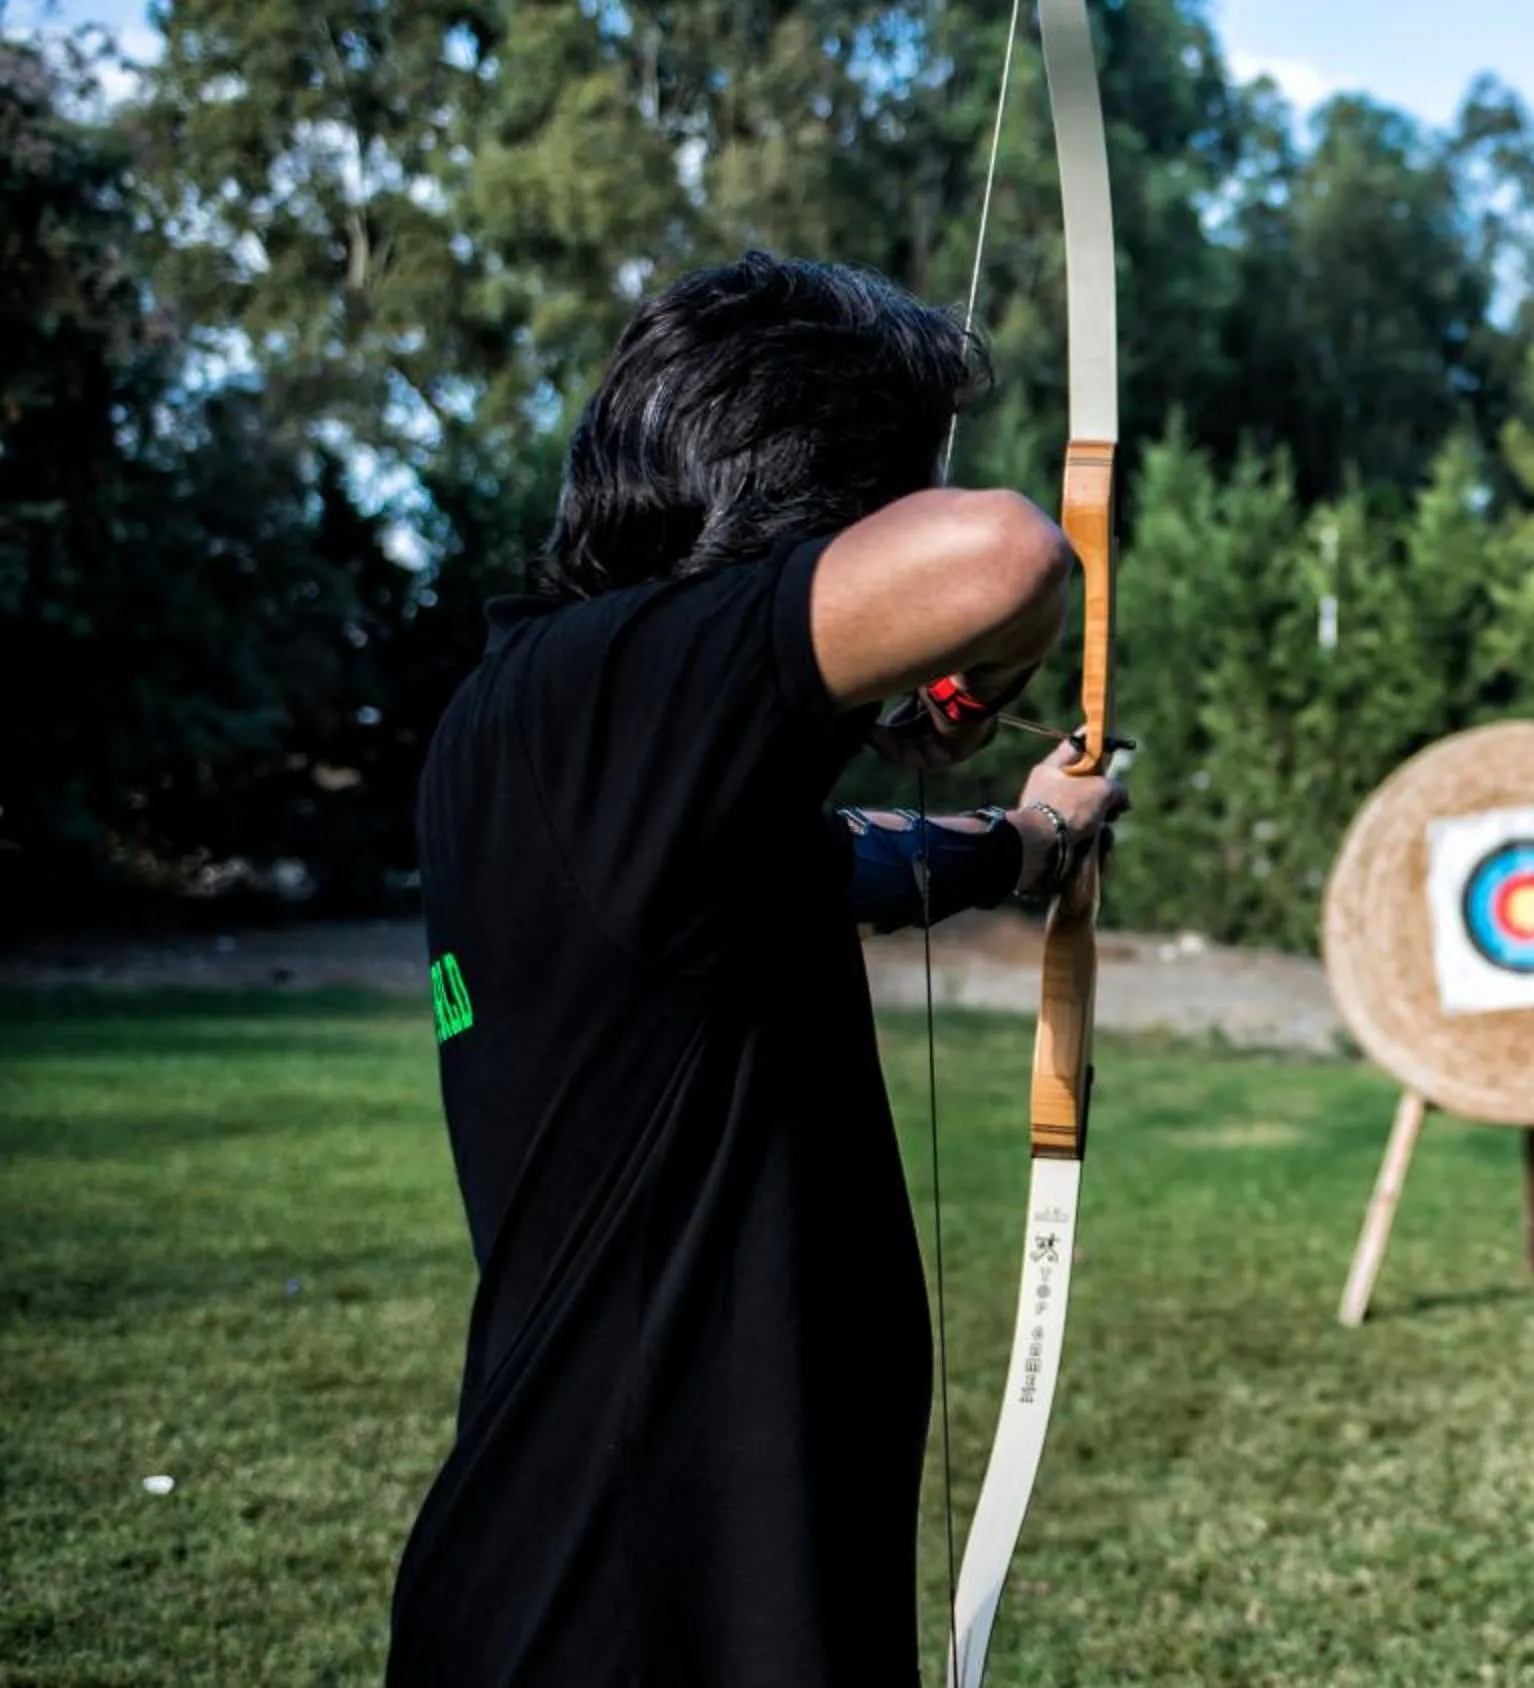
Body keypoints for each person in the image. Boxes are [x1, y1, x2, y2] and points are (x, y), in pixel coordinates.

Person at [388, 252, 1126, 1686]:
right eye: (897, 491)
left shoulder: (557, 735)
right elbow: (1012, 558)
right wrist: (970, 686)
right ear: (818, 499)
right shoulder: (606, 687)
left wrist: (1026, 843)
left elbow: (814, 874)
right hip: (621, 1618)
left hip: (682, 1589)